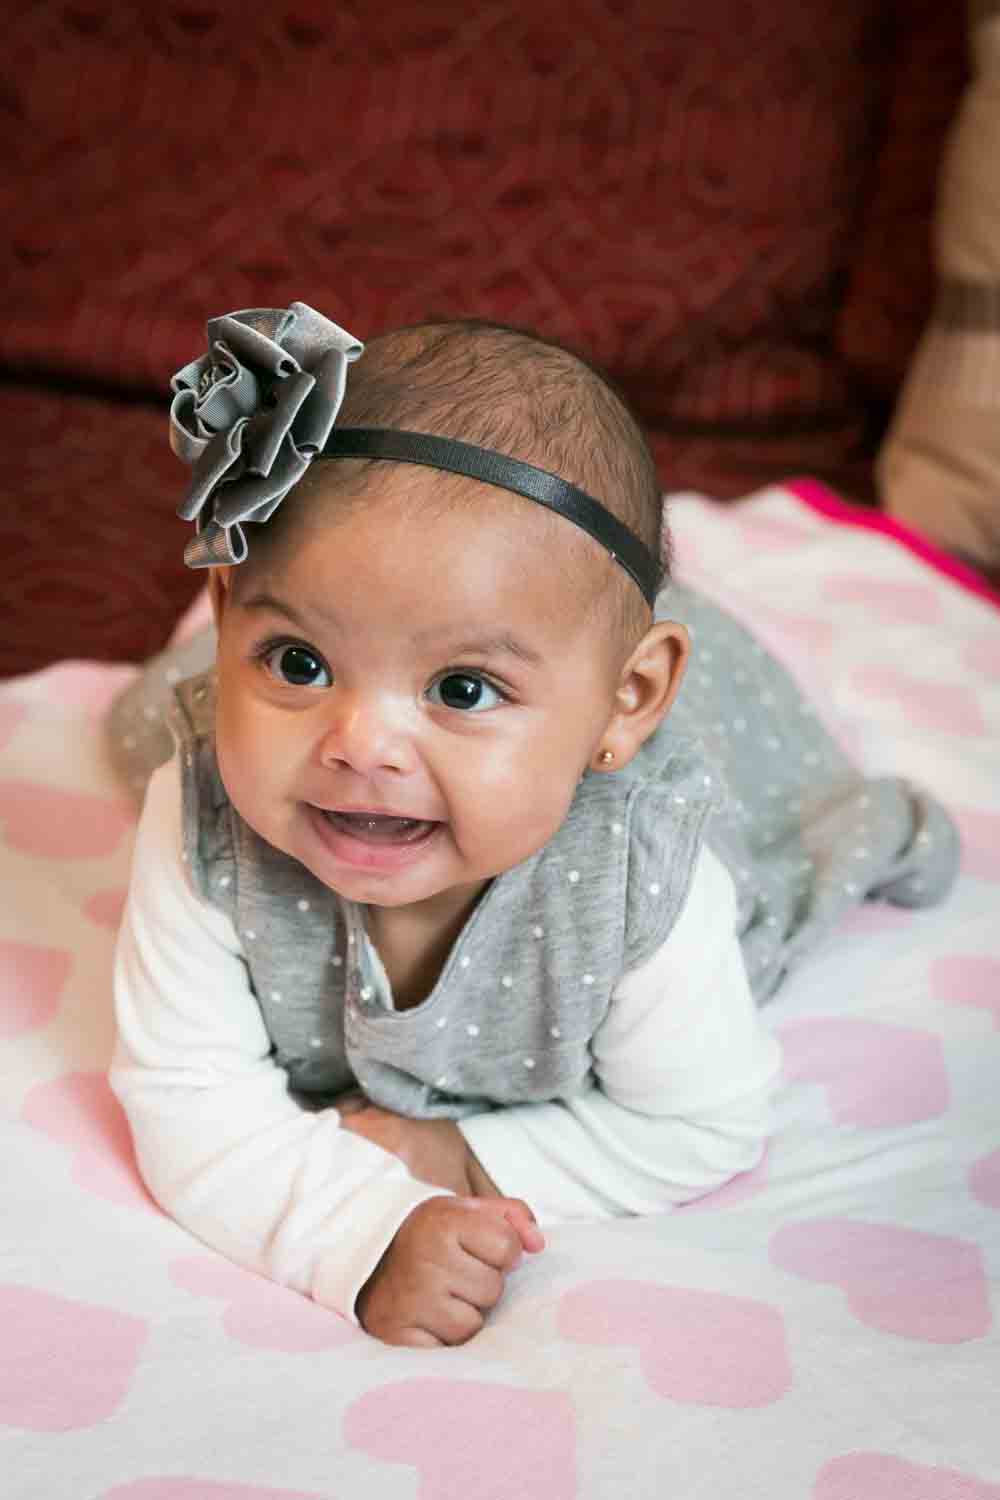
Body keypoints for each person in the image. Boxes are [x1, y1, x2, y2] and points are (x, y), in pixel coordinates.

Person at [108, 304, 959, 1348]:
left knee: (656, 686)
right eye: (298, 661)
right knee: (150, 718)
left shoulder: (641, 873)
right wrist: (358, 1230)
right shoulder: (200, 815)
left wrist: (453, 1157)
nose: (361, 746)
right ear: (228, 618)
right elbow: (185, 1097)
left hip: (661, 750)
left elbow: (700, 1125)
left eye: (462, 688)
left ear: (628, 705)